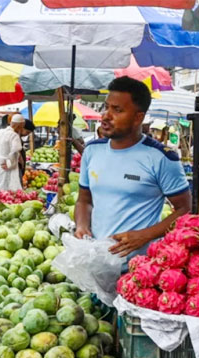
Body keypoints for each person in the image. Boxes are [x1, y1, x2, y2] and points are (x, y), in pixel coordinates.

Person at [75, 77, 191, 259]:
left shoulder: (161, 157)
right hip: (96, 261)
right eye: (106, 107)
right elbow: (84, 200)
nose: (106, 116)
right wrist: (82, 226)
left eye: (117, 110)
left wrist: (145, 235)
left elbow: (185, 210)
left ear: (138, 118)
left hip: (139, 271)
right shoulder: (92, 151)